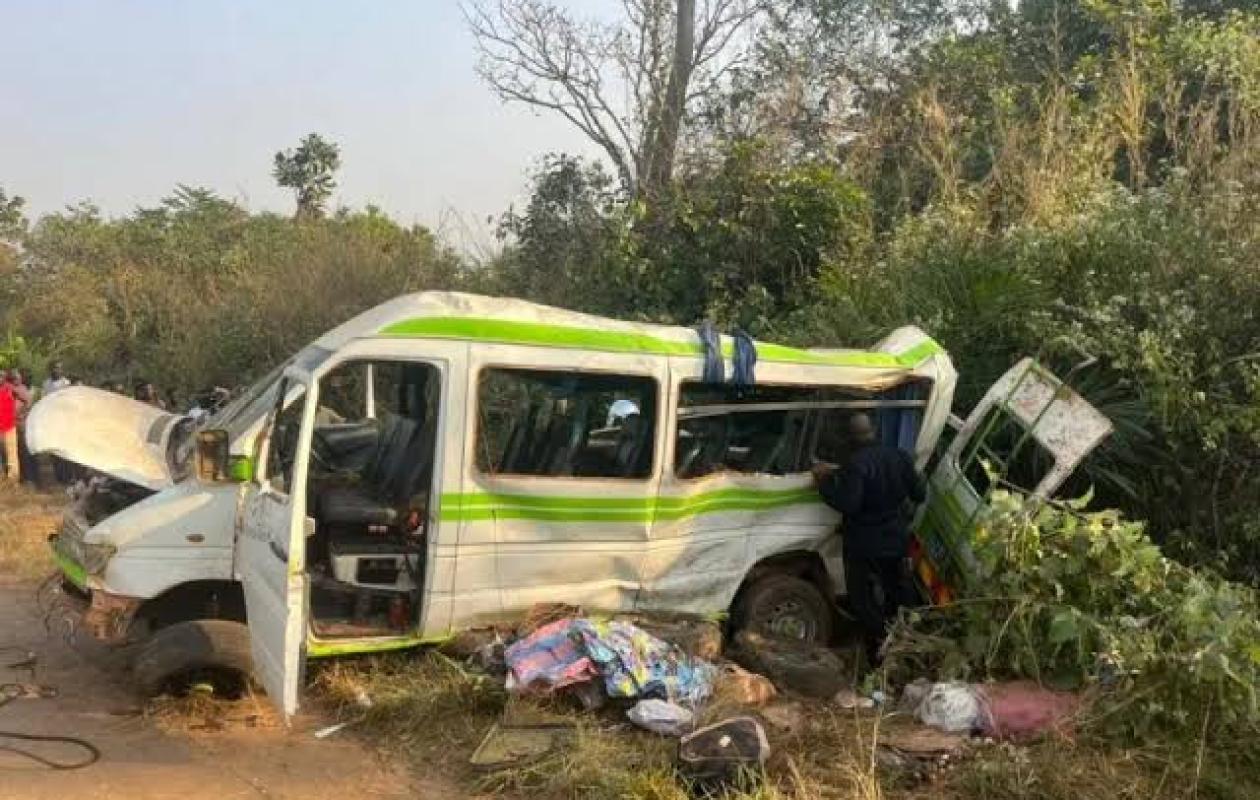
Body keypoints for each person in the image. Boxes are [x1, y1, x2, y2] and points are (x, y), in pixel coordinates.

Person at [812, 412, 926, 667]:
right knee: (896, 589)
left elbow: (848, 503)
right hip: (895, 539)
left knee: (861, 598)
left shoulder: (857, 464)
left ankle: (879, 644)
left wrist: (823, 483)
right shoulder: (899, 457)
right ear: (874, 430)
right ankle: (907, 642)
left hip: (863, 545)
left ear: (851, 437)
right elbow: (920, 494)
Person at [0, 371, 19, 481]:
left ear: (5, 378)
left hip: (9, 427)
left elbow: (26, 399)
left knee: (12, 455)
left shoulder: (10, 388)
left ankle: (13, 480)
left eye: (1, 376)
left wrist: (18, 412)